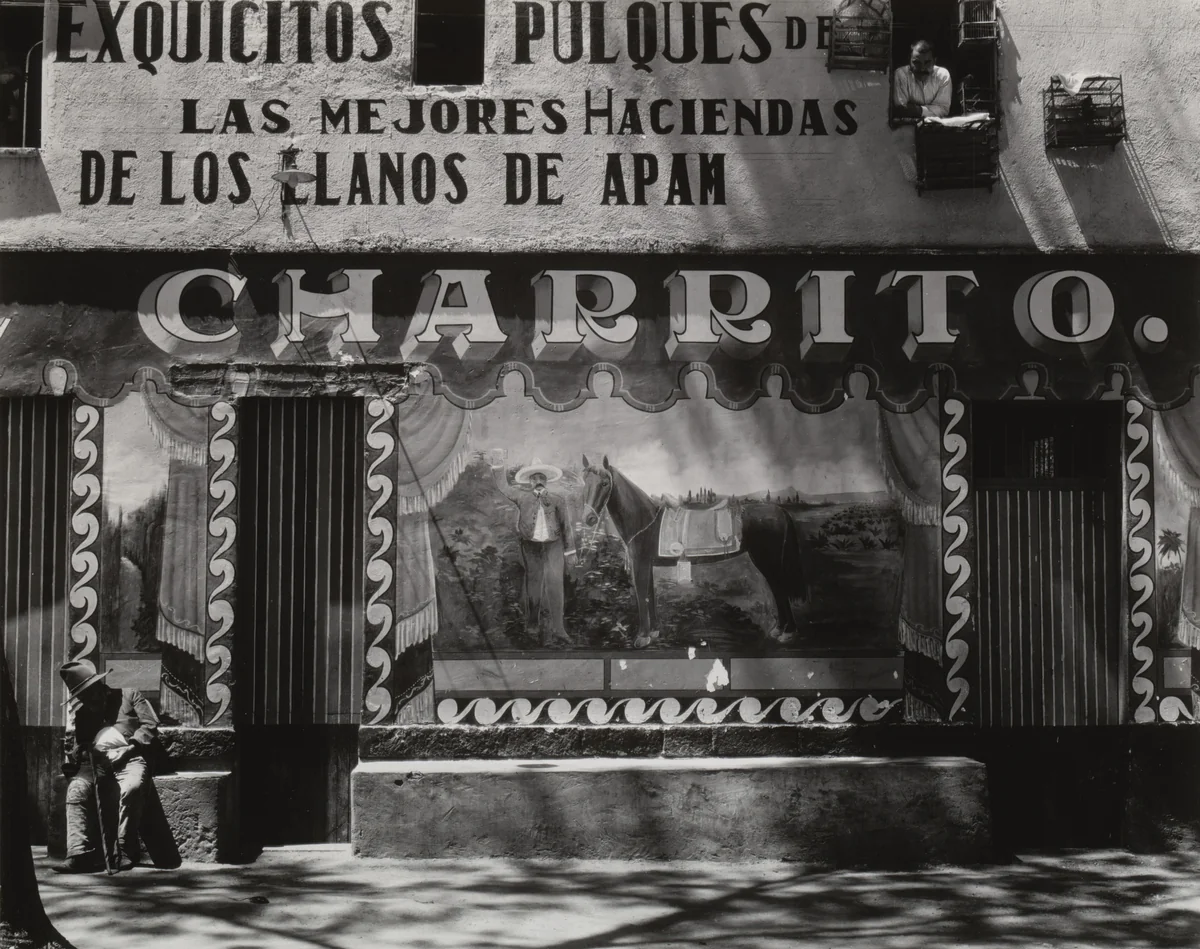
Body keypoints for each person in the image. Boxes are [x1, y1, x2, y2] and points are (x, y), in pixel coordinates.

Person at [55, 659, 160, 873]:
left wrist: (129, 749)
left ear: (99, 686)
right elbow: (80, 745)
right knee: (76, 791)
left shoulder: (130, 695)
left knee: (132, 788)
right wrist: (82, 750)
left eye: (89, 693)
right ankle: (78, 853)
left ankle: (123, 850)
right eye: (81, 696)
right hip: (96, 763)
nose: (87, 700)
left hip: (130, 758)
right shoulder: (83, 713)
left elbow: (150, 725)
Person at [488, 452, 577, 646]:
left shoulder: (557, 500)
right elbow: (503, 487)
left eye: (541, 478)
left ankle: (559, 630)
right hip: (530, 546)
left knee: (555, 585)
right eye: (535, 478)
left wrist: (570, 551)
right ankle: (532, 626)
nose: (538, 481)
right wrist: (498, 465)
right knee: (533, 585)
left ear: (546, 481)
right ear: (529, 481)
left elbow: (566, 526)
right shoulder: (522, 497)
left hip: (554, 545)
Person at [893, 40, 952, 119]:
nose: (922, 68)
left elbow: (944, 110)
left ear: (935, 61)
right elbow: (901, 109)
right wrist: (933, 111)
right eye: (917, 63)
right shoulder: (901, 74)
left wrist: (917, 110)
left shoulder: (943, 75)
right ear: (909, 60)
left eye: (927, 62)